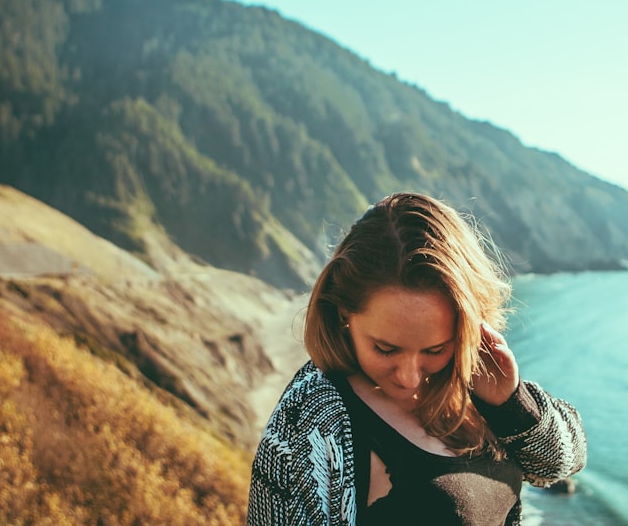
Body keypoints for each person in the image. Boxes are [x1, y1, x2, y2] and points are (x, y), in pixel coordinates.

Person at [247, 193, 586, 525]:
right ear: (342, 314)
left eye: (435, 349)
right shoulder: (311, 417)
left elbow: (557, 466)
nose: (409, 377)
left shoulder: (476, 386)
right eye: (386, 349)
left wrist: (511, 404)